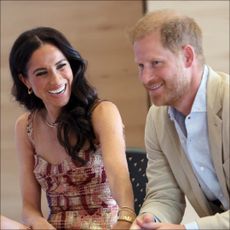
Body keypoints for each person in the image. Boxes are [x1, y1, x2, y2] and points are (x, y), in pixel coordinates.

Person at [9, 26, 136, 229]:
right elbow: (29, 208)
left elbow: (118, 178)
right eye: (42, 73)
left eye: (61, 66)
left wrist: (126, 218)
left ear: (72, 65)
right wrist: (39, 223)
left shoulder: (102, 112)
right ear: (25, 81)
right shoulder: (25, 127)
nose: (56, 79)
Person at [128, 9, 229, 230]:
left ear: (188, 57)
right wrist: (150, 220)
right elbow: (164, 195)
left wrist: (187, 229)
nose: (145, 78)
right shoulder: (157, 118)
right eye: (141, 66)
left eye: (156, 63)